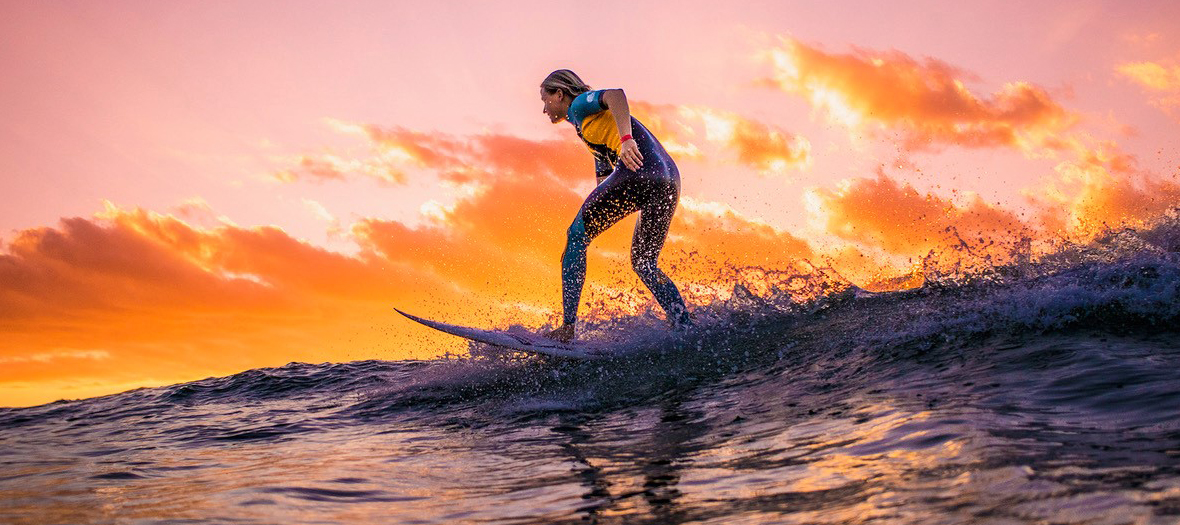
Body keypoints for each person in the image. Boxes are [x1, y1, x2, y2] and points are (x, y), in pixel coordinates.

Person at [539, 69, 692, 342]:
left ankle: (567, 328)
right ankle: (684, 327)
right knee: (644, 262)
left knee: (575, 237)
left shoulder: (579, 104)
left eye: (545, 99)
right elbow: (603, 180)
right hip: (669, 180)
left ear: (559, 93)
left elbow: (615, 95)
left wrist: (626, 140)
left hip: (639, 171)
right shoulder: (590, 129)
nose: (544, 109)